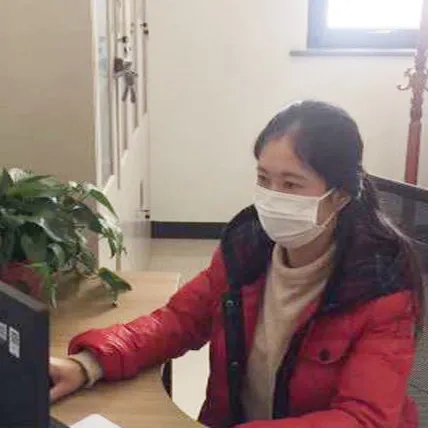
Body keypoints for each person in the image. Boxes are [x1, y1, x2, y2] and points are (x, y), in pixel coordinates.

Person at [50, 100, 425, 428]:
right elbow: (179, 321)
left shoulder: (382, 286)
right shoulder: (248, 247)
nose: (273, 198)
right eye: (264, 178)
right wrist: (88, 365)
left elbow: (363, 419)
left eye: (291, 185)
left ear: (340, 196)